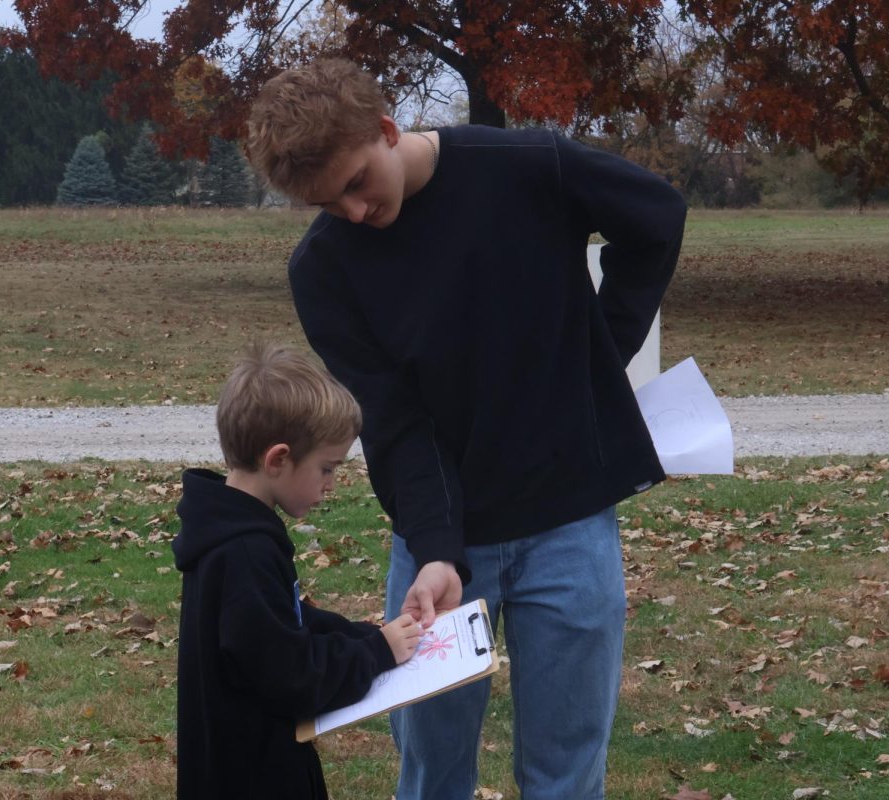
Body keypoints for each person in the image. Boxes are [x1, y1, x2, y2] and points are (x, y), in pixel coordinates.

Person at [245, 58, 687, 800]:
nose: (353, 212)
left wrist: (599, 356)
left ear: (387, 130)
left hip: (570, 526)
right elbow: (394, 423)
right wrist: (439, 551)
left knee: (566, 775)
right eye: (329, 204)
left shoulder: (526, 166)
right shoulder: (323, 270)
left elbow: (657, 218)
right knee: (433, 774)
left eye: (356, 182)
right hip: (438, 551)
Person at [172, 342, 423, 799]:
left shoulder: (234, 531)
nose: (331, 486)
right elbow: (293, 678)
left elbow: (288, 622)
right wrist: (375, 656)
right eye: (327, 468)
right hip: (253, 776)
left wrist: (365, 636)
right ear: (278, 459)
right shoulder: (244, 553)